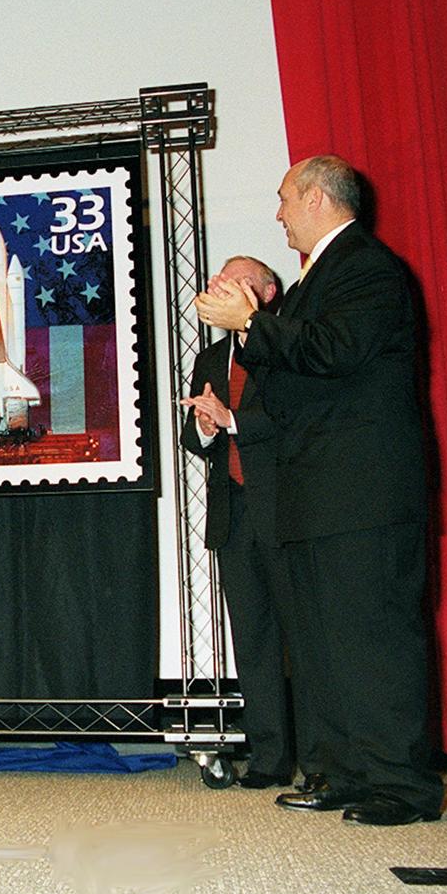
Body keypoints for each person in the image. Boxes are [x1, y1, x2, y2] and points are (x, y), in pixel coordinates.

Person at [195, 155, 442, 825]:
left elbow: (333, 350)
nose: (277, 214)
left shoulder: (367, 266)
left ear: (315, 197)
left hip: (363, 492)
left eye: (283, 199)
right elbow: (284, 383)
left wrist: (251, 324)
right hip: (313, 492)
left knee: (373, 638)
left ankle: (401, 784)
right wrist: (248, 341)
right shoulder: (313, 279)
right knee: (319, 645)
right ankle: (339, 771)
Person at [182, 255, 304, 789]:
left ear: (268, 293)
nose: (223, 289)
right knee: (252, 640)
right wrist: (207, 427)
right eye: (219, 282)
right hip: (233, 515)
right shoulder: (211, 358)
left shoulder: (285, 346)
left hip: (286, 509)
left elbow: (291, 419)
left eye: (237, 282)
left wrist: (232, 420)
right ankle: (270, 760)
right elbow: (195, 439)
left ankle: (322, 762)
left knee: (303, 636)